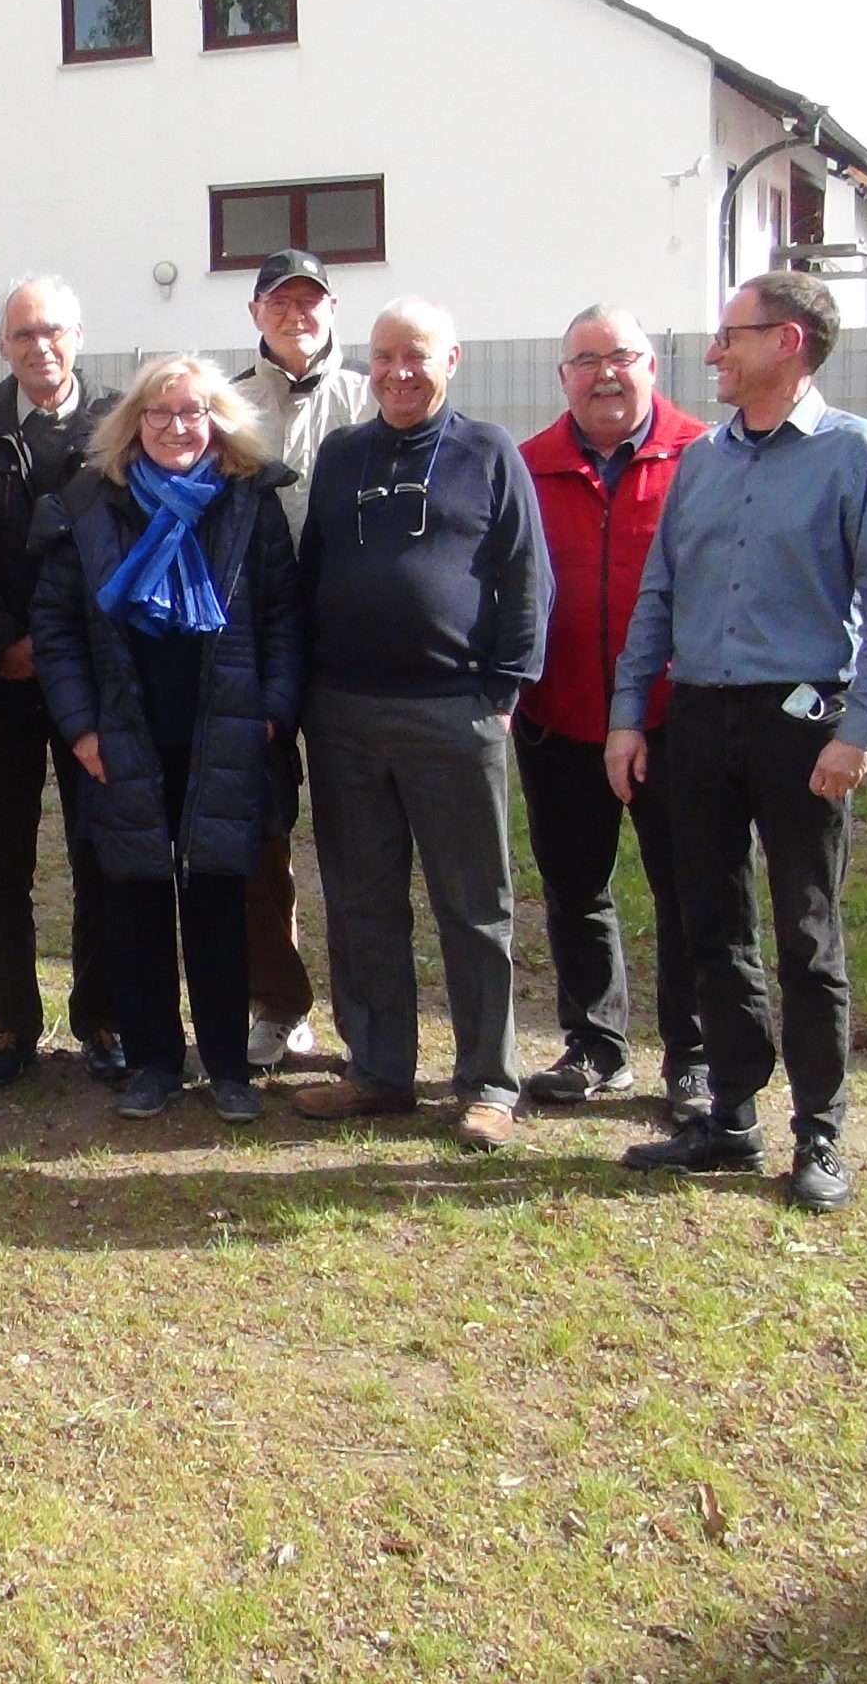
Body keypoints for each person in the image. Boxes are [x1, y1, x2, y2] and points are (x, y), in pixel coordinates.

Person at [611, 272, 867, 1214]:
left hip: (803, 721)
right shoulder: (701, 461)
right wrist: (630, 714)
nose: (714, 353)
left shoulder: (854, 454)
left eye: (731, 336)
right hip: (701, 718)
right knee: (709, 921)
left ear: (787, 343)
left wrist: (855, 730)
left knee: (805, 929)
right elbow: (659, 596)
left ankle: (820, 1134)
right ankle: (732, 1116)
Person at [293, 299, 551, 1151]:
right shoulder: (341, 455)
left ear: (453, 360)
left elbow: (524, 579)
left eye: (417, 356)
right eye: (384, 357)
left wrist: (503, 691)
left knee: (473, 906)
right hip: (345, 716)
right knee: (362, 900)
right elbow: (312, 573)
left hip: (455, 713)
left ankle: (488, 1082)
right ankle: (378, 1072)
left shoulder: (488, 453)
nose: (399, 372)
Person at [30, 356, 302, 1126]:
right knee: (135, 899)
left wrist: (272, 713)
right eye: (160, 413)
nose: (177, 427)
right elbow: (55, 629)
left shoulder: (249, 501)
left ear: (217, 420)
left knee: (220, 897)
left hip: (226, 733)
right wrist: (80, 727)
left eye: (193, 413)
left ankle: (227, 1067)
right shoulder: (90, 504)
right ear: (133, 425)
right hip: (123, 737)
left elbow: (284, 617)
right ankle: (153, 1060)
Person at [0, 275, 122, 1088]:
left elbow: (130, 538)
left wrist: (72, 645)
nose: (40, 346)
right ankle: (13, 1026)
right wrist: (5, 639)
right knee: (2, 862)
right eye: (23, 334)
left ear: (79, 335)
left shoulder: (119, 420)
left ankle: (101, 1019)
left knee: (97, 855)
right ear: (1, 344)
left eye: (54, 331)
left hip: (94, 680)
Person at [516, 307, 710, 1122]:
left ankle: (693, 1058)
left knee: (689, 892)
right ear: (562, 377)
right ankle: (596, 1044)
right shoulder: (528, 466)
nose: (604, 373)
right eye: (585, 359)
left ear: (652, 365)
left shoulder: (705, 457)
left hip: (673, 723)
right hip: (561, 720)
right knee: (574, 890)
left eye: (620, 356)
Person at [231, 248, 373, 1076]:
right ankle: (278, 1004)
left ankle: (369, 1020)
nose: (297, 315)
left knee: (358, 845)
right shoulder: (228, 407)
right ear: (257, 315)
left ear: (330, 310)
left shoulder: (365, 400)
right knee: (261, 837)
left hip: (354, 652)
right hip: (258, 653)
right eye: (281, 303)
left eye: (311, 301)